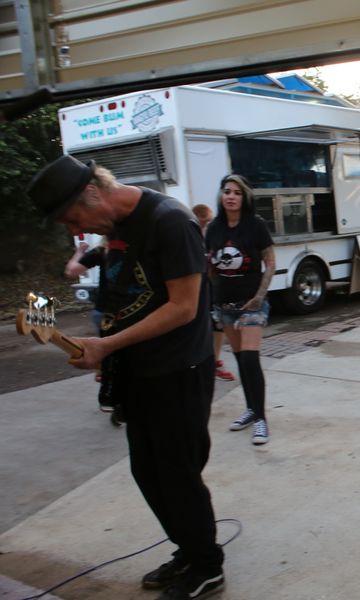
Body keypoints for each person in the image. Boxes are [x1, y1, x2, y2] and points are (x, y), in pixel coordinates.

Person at [27, 155, 225, 599]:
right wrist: (105, 352)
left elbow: (183, 307)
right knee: (148, 472)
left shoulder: (170, 222)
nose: (74, 229)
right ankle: (188, 549)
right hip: (138, 369)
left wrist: (109, 345)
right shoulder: (115, 226)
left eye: (71, 218)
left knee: (178, 473)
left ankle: (207, 565)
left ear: (92, 192)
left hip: (179, 368)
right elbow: (123, 297)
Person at [205, 174, 275, 446]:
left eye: (237, 192)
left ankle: (261, 419)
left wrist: (259, 297)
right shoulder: (214, 228)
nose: (231, 196)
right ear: (221, 195)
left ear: (245, 198)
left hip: (251, 305)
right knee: (240, 361)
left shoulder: (255, 225)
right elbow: (210, 266)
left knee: (249, 360)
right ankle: (250, 409)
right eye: (227, 191)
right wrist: (211, 298)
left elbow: (270, 262)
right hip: (225, 305)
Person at [64, 237, 123, 424]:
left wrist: (79, 252)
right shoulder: (138, 248)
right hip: (127, 312)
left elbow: (72, 271)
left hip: (104, 311)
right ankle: (115, 399)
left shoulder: (100, 251)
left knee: (110, 356)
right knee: (122, 357)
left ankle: (109, 392)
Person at [192, 203, 236, 382]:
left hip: (213, 287)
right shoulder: (190, 236)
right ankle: (202, 362)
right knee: (200, 325)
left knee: (218, 324)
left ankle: (215, 362)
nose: (207, 225)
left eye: (209, 221)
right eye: (204, 221)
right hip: (197, 288)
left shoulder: (213, 236)